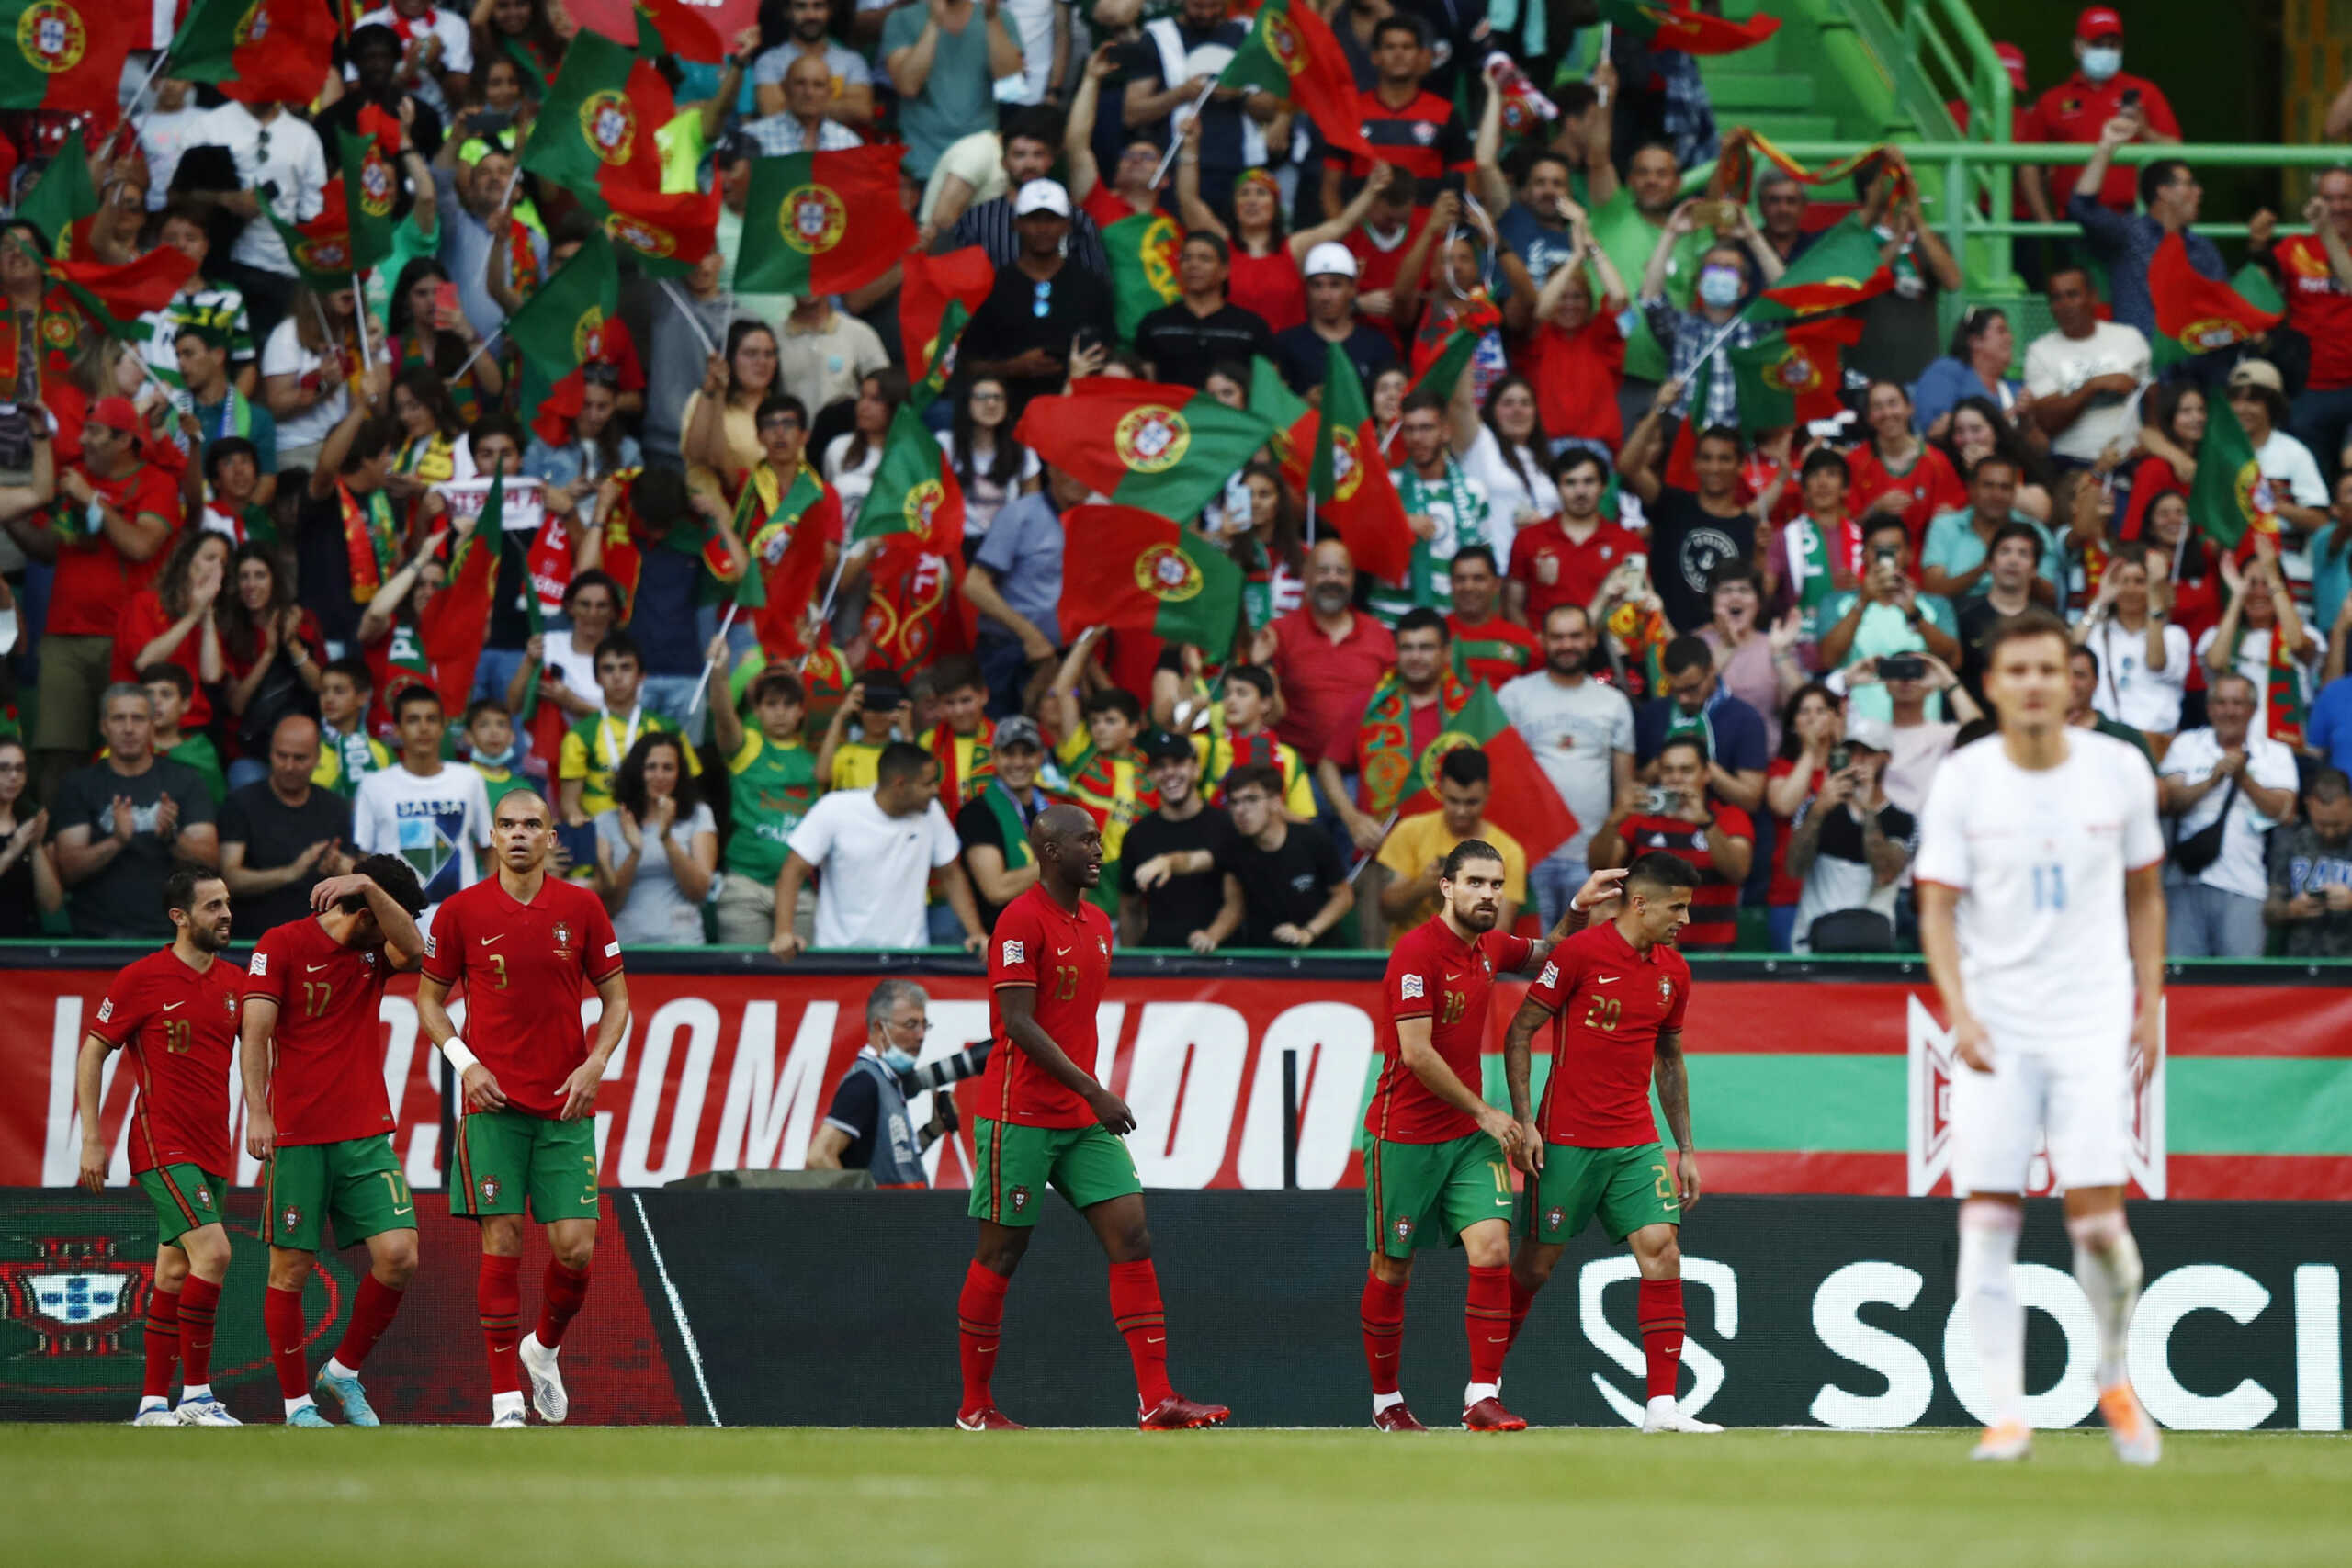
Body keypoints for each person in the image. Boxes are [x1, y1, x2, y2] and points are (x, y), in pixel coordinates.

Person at [1914, 608, 2167, 1465]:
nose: (2032, 684)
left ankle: (2113, 1375)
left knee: (2098, 1222)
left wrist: (2150, 1001)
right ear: (1991, 683)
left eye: (2047, 670)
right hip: (1998, 1020)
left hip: (2094, 1015)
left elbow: (2145, 892)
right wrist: (1961, 1009)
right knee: (1987, 1217)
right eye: (2016, 670)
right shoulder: (1965, 778)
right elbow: (1937, 905)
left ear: (2072, 681)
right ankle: (2008, 1413)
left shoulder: (2120, 769)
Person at [955, 804, 1228, 1431]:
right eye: (1086, 841)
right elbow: (1018, 1024)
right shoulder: (1019, 922)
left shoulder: (1099, 921)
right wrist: (1095, 1088)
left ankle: (1156, 1398)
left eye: (1099, 840)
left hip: (1076, 1115)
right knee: (1000, 1252)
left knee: (1132, 1233)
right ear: (1050, 852)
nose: (1100, 850)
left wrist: (1085, 1096)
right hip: (1018, 1110)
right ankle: (975, 1406)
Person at [1358, 840, 1596, 1433]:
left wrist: (1578, 906)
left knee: (1492, 1251)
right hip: (1405, 1134)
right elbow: (1416, 1054)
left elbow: (1551, 954)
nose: (1488, 894)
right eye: (1475, 883)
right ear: (1446, 886)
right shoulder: (1415, 955)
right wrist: (1487, 1112)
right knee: (1392, 1269)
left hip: (1467, 1138)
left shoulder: (1490, 946)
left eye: (1496, 884)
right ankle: (1386, 1401)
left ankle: (1482, 1397)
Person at [414, 787, 630, 1426]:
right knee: (502, 1239)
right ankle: (505, 1398)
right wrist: (465, 1063)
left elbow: (617, 1000)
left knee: (576, 1248)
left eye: (530, 824)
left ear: (550, 837)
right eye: (506, 824)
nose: (517, 834)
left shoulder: (583, 907)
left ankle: (543, 1347)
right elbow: (429, 1000)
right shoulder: (459, 911)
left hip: (565, 1104)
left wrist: (595, 1064)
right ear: (492, 838)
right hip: (493, 1105)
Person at [1498, 851, 1720, 1435]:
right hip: (1566, 1139)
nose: (1685, 921)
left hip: (1635, 1140)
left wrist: (1686, 1149)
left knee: (1662, 1248)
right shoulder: (1578, 954)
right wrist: (1526, 1121)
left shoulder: (1676, 971)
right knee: (1536, 1266)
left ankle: (1662, 1408)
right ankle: (1483, 1384)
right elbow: (1519, 1032)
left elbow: (1669, 1059)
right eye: (1678, 907)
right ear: (1640, 903)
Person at [240, 855, 431, 1427]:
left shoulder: (375, 952)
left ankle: (342, 1373)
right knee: (290, 1272)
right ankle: (298, 1406)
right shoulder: (281, 943)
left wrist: (370, 885)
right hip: (298, 1133)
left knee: (399, 1256)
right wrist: (256, 1111)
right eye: (384, 911)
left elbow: (418, 952)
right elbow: (255, 1032)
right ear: (365, 915)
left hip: (365, 1131)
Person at [75, 868, 243, 1427]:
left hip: (215, 1145)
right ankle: (196, 1396)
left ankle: (152, 1405)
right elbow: (93, 1052)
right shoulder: (140, 979)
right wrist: (92, 1140)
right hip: (160, 1140)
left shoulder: (235, 984)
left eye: (227, 904)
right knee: (215, 1253)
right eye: (213, 906)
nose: (226, 915)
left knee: (174, 1271)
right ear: (180, 917)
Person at [28, 396, 180, 807]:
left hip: (127, 640)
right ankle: (53, 852)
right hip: (65, 637)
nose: (83, 440)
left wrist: (93, 501)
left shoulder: (158, 483)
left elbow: (141, 545)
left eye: (94, 432)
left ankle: (128, 844)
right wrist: (8, 516)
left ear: (124, 440)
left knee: (128, 752)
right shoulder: (73, 476)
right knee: (59, 752)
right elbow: (47, 547)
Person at [770, 741, 984, 958]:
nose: (935, 790)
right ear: (900, 785)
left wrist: (977, 934)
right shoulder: (835, 808)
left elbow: (952, 874)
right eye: (927, 784)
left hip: (909, 959)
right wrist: (783, 933)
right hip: (839, 958)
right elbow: (792, 871)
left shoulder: (931, 813)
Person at [1499, 604, 1637, 930]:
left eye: (1575, 636)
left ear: (1591, 639)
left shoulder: (1613, 704)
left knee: (1582, 963)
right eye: (1558, 637)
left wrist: (1610, 854)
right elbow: (1499, 780)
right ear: (1543, 640)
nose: (1567, 645)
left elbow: (1626, 791)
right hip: (1528, 857)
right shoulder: (1514, 696)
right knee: (1527, 960)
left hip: (1590, 859)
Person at [54, 686, 220, 940]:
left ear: (152, 725)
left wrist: (172, 838)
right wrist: (117, 841)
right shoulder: (78, 785)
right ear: (103, 726)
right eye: (119, 718)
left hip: (171, 936)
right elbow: (68, 869)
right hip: (94, 937)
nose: (129, 728)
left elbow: (210, 860)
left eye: (138, 718)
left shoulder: (185, 780)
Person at [2159, 672, 2301, 958]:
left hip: (2245, 884)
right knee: (2185, 982)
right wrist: (2211, 781)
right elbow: (2170, 802)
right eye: (2221, 703)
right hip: (2185, 880)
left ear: (2253, 709)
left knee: (2241, 985)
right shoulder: (2186, 744)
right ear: (2209, 708)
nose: (2229, 711)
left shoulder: (2274, 753)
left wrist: (2243, 779)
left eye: (2238, 703)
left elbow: (2285, 811)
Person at [810, 981, 993, 1185]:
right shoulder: (864, 1083)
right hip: (886, 1216)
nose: (921, 1035)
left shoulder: (888, 1082)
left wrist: (932, 1130)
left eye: (924, 1025)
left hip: (903, 1213)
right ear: (880, 1027)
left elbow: (897, 1164)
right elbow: (819, 1157)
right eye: (911, 1025)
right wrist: (864, 1211)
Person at [1319, 609, 1469, 856]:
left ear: (1446, 652)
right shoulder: (1371, 704)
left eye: (1426, 648)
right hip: (1383, 853)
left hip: (1454, 853)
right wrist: (1352, 818)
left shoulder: (1470, 707)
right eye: (1407, 648)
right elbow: (1327, 766)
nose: (1415, 656)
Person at [959, 181, 1114, 417]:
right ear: (1017, 224)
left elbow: (1109, 352)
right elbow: (966, 363)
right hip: (1005, 415)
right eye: (1033, 219)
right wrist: (1011, 368)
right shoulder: (990, 287)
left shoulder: (1091, 286)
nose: (1043, 229)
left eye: (1052, 220)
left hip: (1077, 412)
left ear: (1067, 226)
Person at [1590, 734, 1755, 952]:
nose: (1675, 778)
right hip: (1651, 951)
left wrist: (1705, 823)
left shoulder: (1729, 817)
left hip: (1713, 952)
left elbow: (1738, 871)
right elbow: (1600, 866)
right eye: (1668, 770)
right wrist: (1613, 820)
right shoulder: (1641, 818)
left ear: (1706, 774)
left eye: (1686, 770)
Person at [2020, 7, 2180, 220]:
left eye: (2113, 45)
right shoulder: (2051, 101)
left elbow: (2177, 151)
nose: (2106, 51)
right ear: (2077, 47)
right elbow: (2028, 164)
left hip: (2132, 218)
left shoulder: (2146, 93)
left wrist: (2146, 132)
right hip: (2072, 221)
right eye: (2097, 44)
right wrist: (2044, 221)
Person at [1619, 400, 1761, 636]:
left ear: (1739, 466)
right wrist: (1658, 409)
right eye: (1706, 458)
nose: (1714, 467)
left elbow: (1755, 595)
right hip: (1664, 639)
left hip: (1722, 648)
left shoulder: (1748, 526)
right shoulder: (1672, 503)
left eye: (1724, 459)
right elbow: (1627, 466)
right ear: (1695, 464)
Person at [2069, 122, 2220, 340]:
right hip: (2136, 361)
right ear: (2164, 192)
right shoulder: (2128, 234)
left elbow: (2223, 317)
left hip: (2190, 362)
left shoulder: (2203, 247)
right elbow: (2081, 207)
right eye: (2189, 185)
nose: (2199, 192)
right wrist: (2107, 145)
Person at [352, 686, 495, 914]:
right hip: (394, 921)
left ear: (442, 727)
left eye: (431, 719)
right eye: (413, 720)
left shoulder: (469, 779)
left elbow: (490, 848)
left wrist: (491, 904)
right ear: (397, 729)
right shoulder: (373, 785)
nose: (423, 728)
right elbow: (362, 859)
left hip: (460, 917)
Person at [708, 660, 820, 946]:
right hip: (746, 887)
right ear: (756, 710)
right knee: (742, 983)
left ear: (801, 711)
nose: (780, 712)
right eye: (770, 704)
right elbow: (722, 715)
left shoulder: (817, 759)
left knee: (801, 986)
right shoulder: (748, 747)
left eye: (788, 704)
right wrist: (719, 673)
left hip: (802, 892)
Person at [1784, 715, 1913, 953]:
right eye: (1851, 751)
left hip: (1873, 949)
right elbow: (1794, 869)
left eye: (1868, 752)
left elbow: (1885, 873)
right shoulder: (1816, 808)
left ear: (1887, 758)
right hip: (1812, 947)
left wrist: (1868, 812)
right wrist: (1819, 811)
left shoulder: (1903, 820)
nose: (1858, 760)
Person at [1259, 540, 1397, 760]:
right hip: (1299, 774)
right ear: (1306, 576)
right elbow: (1261, 712)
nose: (1332, 579)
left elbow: (1397, 704)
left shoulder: (1379, 634)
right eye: (1323, 571)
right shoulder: (1279, 633)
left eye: (1341, 571)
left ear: (1352, 579)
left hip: (1365, 772)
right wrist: (1260, 665)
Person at [1818, 518, 1964, 725]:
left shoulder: (1935, 604)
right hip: (1859, 735)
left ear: (1909, 555)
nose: (1885, 557)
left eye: (1894, 549)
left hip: (1922, 731)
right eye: (1877, 549)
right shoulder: (1836, 602)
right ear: (1863, 555)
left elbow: (1953, 661)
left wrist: (1914, 613)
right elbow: (1828, 658)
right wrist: (1863, 601)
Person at [220, 716, 357, 933]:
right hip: (256, 940)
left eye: (300, 758)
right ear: (270, 753)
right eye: (281, 756)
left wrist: (339, 868)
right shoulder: (241, 803)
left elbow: (355, 874)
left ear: (317, 757)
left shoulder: (336, 807)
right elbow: (230, 878)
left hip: (320, 939)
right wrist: (290, 873)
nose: (289, 766)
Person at [1375, 749, 1527, 941]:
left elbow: (1500, 931)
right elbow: (1387, 911)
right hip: (1411, 958)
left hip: (1469, 962)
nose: (1461, 811)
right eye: (1453, 801)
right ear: (1441, 789)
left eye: (1471, 802)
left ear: (1488, 792)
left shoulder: (1508, 851)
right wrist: (1421, 887)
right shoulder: (1409, 831)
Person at [558, 634, 702, 827]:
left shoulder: (667, 729)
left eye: (625, 668)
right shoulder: (580, 734)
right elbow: (569, 803)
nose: (617, 677)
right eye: (608, 669)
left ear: (642, 676)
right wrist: (580, 824)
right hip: (601, 833)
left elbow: (688, 788)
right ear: (597, 678)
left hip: (658, 829)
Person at [2262, 169, 2352, 477]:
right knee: (2310, 482)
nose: (2338, 206)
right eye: (2329, 199)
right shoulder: (2293, 247)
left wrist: (2325, 231)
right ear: (2315, 201)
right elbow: (2261, 298)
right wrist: (2256, 247)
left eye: (2345, 198)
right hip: (2307, 392)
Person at [1121, 728, 1240, 952]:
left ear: (1196, 769)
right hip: (1158, 959)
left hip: (1222, 958)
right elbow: (1130, 908)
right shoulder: (1136, 835)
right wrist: (1130, 961)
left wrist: (1213, 935)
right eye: (1161, 766)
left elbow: (1237, 902)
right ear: (1151, 776)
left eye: (1178, 763)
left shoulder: (1227, 826)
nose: (1170, 773)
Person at [1210, 763, 1353, 949]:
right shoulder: (1234, 849)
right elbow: (1234, 907)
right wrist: (1211, 936)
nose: (1240, 810)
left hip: (1321, 955)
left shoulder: (1312, 838)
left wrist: (1308, 932)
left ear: (1276, 802)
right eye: (1234, 802)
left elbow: (1343, 897)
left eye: (1251, 800)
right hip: (1265, 961)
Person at [593, 733, 718, 946]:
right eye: (651, 767)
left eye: (668, 768)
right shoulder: (607, 821)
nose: (660, 776)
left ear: (680, 773)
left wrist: (667, 839)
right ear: (637, 771)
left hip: (683, 944)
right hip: (624, 945)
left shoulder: (699, 815)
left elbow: (699, 892)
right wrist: (634, 853)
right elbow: (608, 905)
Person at [884, 0, 1025, 186]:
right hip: (920, 163)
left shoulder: (1001, 18)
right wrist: (934, 23)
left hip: (980, 164)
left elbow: (1011, 86)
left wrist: (992, 20)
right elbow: (907, 86)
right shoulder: (901, 19)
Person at [2023, 266, 2151, 471]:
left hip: (2129, 461)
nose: (2064, 305)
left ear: (2093, 297)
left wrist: (2149, 440)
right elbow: (2046, 421)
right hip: (2072, 465)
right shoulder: (2040, 351)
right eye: (2056, 298)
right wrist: (2092, 386)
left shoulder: (2129, 338)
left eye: (2072, 295)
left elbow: (2153, 395)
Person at [1506, 449, 1642, 633]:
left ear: (1603, 486)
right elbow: (1512, 606)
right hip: (1544, 653)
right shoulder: (1528, 538)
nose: (1580, 492)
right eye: (1570, 483)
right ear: (1557, 487)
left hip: (1607, 651)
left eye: (1589, 481)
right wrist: (1533, 645)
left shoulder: (1628, 543)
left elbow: (1638, 605)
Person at [1634, 636, 1769, 815]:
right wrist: (1667, 759)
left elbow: (1751, 800)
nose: (1683, 698)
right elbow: (1634, 787)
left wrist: (1699, 761)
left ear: (1712, 669)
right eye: (1675, 689)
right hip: (1663, 826)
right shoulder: (1653, 714)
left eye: (1691, 688)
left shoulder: (1746, 719)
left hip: (1724, 828)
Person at [2199, 547, 2319, 743]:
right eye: (2251, 584)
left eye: (2267, 584)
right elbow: (2215, 662)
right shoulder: (2218, 635)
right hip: (2231, 745)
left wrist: (2275, 579)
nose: (2259, 593)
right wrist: (2238, 595)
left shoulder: (2307, 634)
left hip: (2286, 747)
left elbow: (2297, 645)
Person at [2078, 545, 2190, 749]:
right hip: (2105, 740)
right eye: (2124, 581)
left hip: (2155, 743)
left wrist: (2156, 591)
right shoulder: (2098, 632)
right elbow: (2070, 653)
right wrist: (2101, 599)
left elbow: (2156, 661)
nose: (2130, 589)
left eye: (2140, 582)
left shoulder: (2174, 636)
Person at [1134, 235, 1276, 391]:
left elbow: (1268, 388)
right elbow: (1144, 388)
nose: (1193, 265)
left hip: (1231, 415)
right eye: (1186, 258)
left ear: (1224, 270)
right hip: (1174, 414)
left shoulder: (1251, 327)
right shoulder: (1155, 324)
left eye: (1205, 259)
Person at [956, 714, 1054, 933]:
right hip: (1002, 942)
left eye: (1027, 753)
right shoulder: (977, 813)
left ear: (1040, 757)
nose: (1018, 763)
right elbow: (996, 889)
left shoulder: (1054, 808)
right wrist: (1059, 864)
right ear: (995, 757)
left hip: (1052, 938)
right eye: (1009, 754)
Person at [1922, 456, 2064, 605]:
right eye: (1988, 486)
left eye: (2005, 488)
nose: (1996, 495)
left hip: (2018, 617)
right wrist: (1986, 566)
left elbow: (2050, 598)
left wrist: (2020, 569)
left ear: (2014, 493)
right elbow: (1933, 589)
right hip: (1954, 618)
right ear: (1971, 489)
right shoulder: (1946, 526)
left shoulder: (2035, 531)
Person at [1849, 382, 1967, 553]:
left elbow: (1959, 518)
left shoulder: (1937, 462)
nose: (1887, 413)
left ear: (1910, 408)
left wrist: (1951, 518)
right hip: (1870, 564)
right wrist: (1875, 510)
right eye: (1878, 407)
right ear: (1869, 417)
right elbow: (1843, 526)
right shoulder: (1856, 462)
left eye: (1893, 403)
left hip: (1925, 564)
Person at [2218, 361, 2331, 538]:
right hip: (2229, 555)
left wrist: (2274, 504)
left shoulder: (2294, 453)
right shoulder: (2217, 451)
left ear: (2272, 405)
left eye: (2252, 400)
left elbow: (2321, 522)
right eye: (2234, 400)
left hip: (2287, 557)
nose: (2240, 409)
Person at [1271, 243, 1399, 396]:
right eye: (1317, 286)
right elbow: (1275, 403)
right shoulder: (1285, 344)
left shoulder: (1378, 345)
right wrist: (1305, 403)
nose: (1325, 296)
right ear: (1307, 290)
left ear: (1352, 288)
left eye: (1335, 285)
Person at [1954, 524, 2048, 708]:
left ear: (2035, 569)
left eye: (2023, 554)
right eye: (2005, 551)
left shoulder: (2046, 623)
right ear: (1990, 563)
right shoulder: (1963, 616)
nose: (2013, 561)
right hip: (1974, 727)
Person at [2265, 769, 2352, 958]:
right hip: (2301, 964)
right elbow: (2269, 912)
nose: (2329, 832)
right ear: (2309, 805)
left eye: (2337, 824)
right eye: (2321, 824)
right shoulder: (2291, 841)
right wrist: (2291, 910)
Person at [1915, 308, 2028, 441]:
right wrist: (2000, 419)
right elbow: (1935, 430)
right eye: (2001, 331)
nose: (2010, 338)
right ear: (1975, 341)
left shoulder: (2013, 388)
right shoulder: (1947, 371)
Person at [1447, 547, 1541, 690]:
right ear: (1451, 584)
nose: (1468, 587)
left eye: (1478, 579)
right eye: (1460, 579)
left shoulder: (1524, 641)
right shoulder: (1434, 636)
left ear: (1497, 584)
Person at [2068, 647, 2160, 766]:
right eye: (2063, 674)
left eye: (2079, 675)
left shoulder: (2125, 736)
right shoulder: (2040, 733)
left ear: (2095, 682)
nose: (2070, 683)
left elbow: (2155, 784)